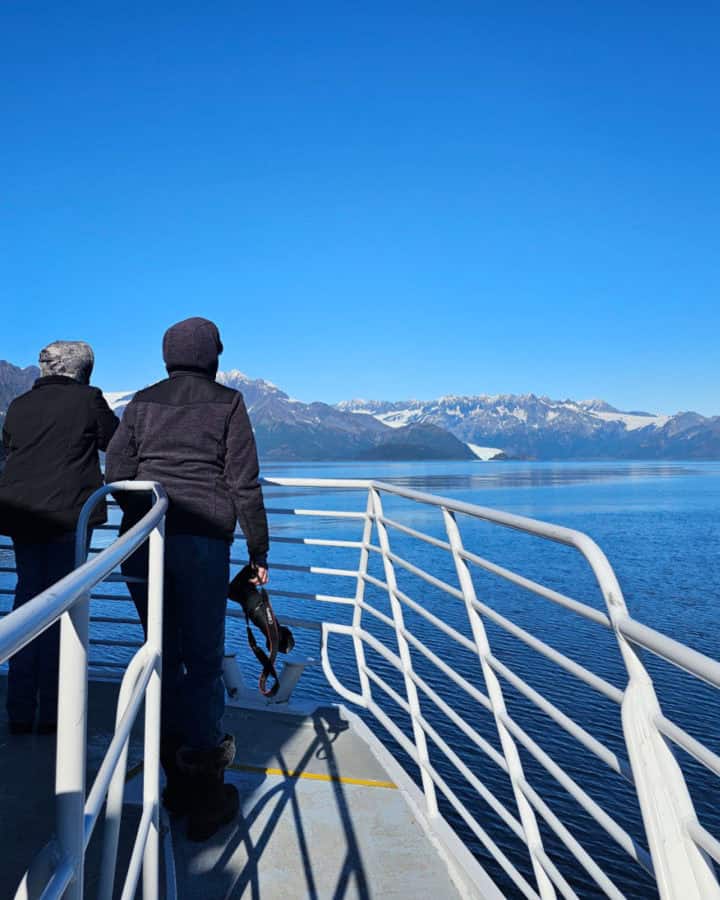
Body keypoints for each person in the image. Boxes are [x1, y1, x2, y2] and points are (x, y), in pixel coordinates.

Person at [105, 316, 269, 842]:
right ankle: (201, 796)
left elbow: (116, 474)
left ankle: (172, 777)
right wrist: (258, 550)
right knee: (201, 662)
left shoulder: (142, 401)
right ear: (213, 356)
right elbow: (243, 482)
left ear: (167, 355)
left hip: (143, 542)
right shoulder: (228, 403)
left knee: (163, 652)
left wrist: (144, 516)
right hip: (201, 544)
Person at [0, 340, 119, 733]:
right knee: (62, 610)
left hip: (21, 519)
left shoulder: (18, 407)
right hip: (70, 519)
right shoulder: (89, 401)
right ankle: (53, 714)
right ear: (81, 370)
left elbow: (10, 451)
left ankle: (18, 710)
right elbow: (115, 444)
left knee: (27, 602)